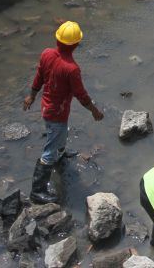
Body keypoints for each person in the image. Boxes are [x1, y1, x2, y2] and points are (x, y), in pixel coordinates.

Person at [23, 21, 104, 204]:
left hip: (47, 107)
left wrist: (32, 96)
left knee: (58, 135)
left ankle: (60, 154)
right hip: (57, 113)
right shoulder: (71, 68)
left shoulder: (46, 54)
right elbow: (81, 95)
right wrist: (94, 111)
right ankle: (37, 190)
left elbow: (39, 77)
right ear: (76, 45)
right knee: (50, 149)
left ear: (57, 38)